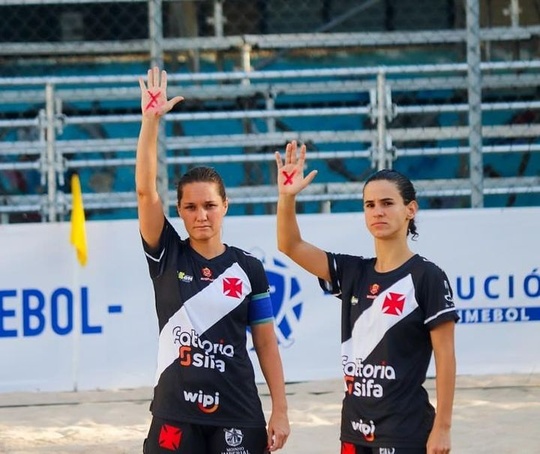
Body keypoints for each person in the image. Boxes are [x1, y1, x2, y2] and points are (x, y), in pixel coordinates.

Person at [136, 66, 290, 454]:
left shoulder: (249, 268)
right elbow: (144, 192)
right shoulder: (167, 252)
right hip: (176, 413)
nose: (201, 214)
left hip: (237, 411)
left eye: (209, 205)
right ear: (180, 211)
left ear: (225, 206)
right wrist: (150, 122)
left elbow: (266, 343)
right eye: (190, 207)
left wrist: (281, 410)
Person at [275, 141, 458, 454]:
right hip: (355, 431)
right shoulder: (352, 272)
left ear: (410, 210)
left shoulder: (426, 276)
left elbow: (445, 357)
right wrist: (287, 197)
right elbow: (290, 245)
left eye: (387, 203)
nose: (378, 211)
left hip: (405, 432)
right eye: (369, 205)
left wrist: (442, 428)